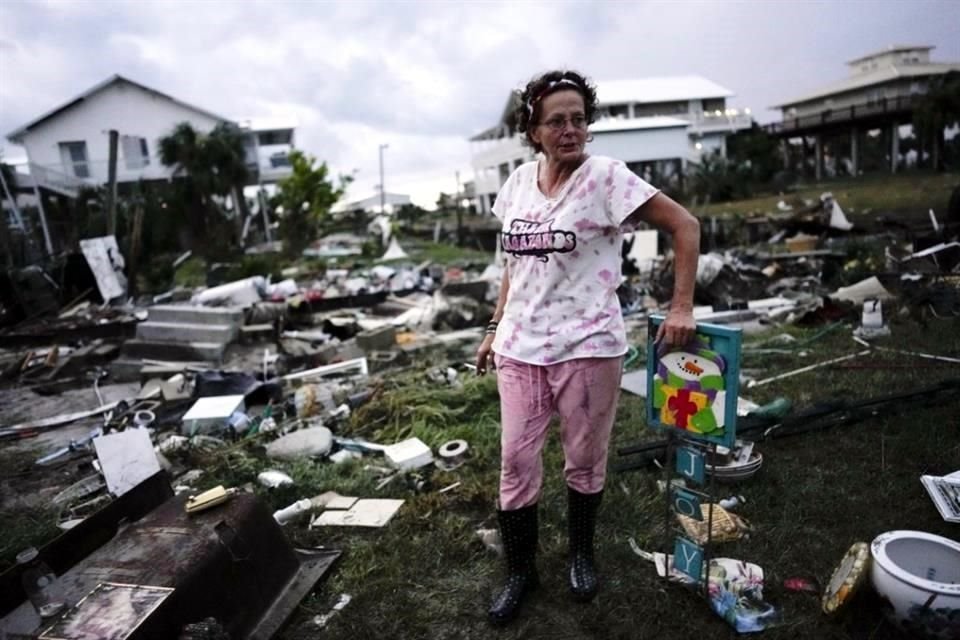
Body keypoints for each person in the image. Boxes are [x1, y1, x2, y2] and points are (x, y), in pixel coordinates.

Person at [475, 69, 700, 625]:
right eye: (557, 121)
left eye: (579, 119)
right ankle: (520, 572)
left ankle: (580, 554)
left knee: (584, 459)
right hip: (521, 348)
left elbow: (685, 225)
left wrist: (681, 306)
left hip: (589, 346)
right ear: (534, 130)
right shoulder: (517, 185)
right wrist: (493, 327)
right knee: (515, 461)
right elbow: (513, 264)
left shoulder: (607, 179)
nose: (571, 130)